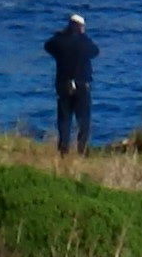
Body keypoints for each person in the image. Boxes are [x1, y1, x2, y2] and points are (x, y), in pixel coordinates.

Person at [42, 11, 99, 156]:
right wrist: (83, 36)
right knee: (83, 120)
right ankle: (82, 150)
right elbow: (95, 51)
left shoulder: (60, 41)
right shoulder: (84, 42)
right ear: (80, 27)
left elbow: (48, 46)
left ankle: (63, 150)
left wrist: (62, 34)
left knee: (64, 119)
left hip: (64, 84)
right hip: (82, 85)